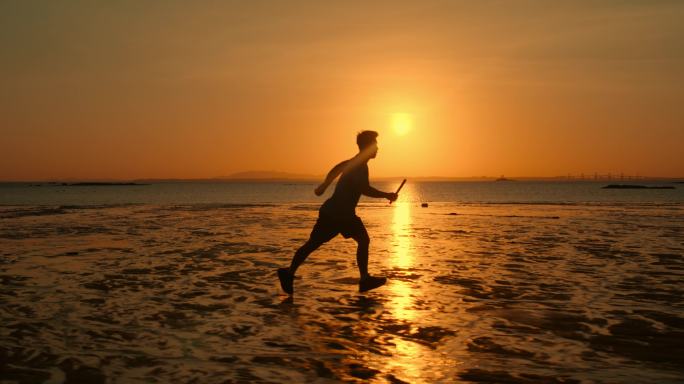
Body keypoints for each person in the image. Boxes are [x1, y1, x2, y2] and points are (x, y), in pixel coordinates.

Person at [277, 131, 398, 294]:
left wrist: (325, 185)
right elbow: (364, 189)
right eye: (375, 144)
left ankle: (364, 279)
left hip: (343, 214)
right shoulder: (359, 166)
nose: (378, 148)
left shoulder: (357, 162)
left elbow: (339, 167)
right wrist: (387, 195)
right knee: (314, 244)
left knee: (362, 240)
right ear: (367, 147)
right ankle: (288, 273)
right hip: (335, 214)